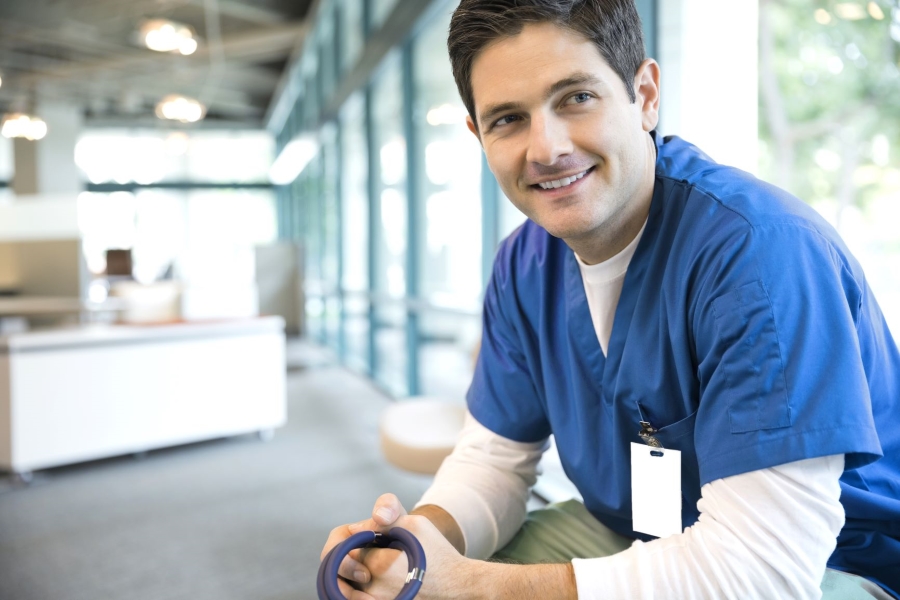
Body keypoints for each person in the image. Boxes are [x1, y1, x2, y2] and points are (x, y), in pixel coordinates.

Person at [320, 1, 900, 598]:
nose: (545, 148)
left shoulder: (761, 255)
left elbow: (758, 572)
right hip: (638, 534)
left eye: (576, 97)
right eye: (508, 119)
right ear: (478, 136)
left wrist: (469, 585)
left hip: (830, 563)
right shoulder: (524, 265)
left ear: (644, 95)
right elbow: (494, 460)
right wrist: (416, 544)